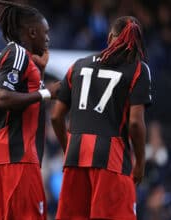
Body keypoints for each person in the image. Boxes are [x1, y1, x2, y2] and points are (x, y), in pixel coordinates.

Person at [51, 16, 152, 220]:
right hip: (111, 159)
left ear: (109, 37)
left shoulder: (78, 65)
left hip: (75, 156)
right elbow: (134, 122)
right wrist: (140, 163)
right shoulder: (138, 69)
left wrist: (68, 148)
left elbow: (55, 117)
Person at [0, 1, 60, 219]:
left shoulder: (23, 59)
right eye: (45, 32)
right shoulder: (17, 53)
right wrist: (46, 92)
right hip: (16, 157)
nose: (47, 38)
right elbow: (1, 97)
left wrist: (41, 72)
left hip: (8, 157)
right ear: (31, 32)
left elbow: (25, 101)